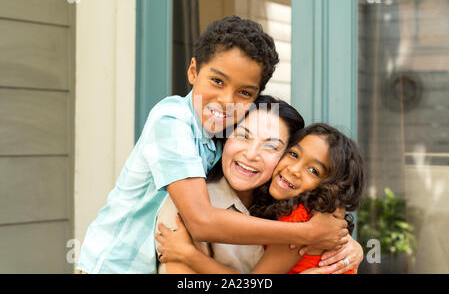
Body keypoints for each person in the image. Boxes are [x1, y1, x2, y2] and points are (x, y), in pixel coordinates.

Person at [76, 16, 348, 274]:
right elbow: (202, 221)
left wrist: (346, 240)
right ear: (193, 71)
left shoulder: (222, 132)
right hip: (111, 265)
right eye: (217, 81)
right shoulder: (171, 121)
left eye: (243, 92)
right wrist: (307, 233)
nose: (226, 101)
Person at [156, 123, 366, 274]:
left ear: (329, 186)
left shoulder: (302, 219)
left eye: (313, 170)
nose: (293, 169)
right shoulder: (288, 208)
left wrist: (189, 255)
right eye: (293, 154)